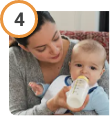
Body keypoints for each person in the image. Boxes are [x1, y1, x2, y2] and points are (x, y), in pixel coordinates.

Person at [9, 11, 110, 116]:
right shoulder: (15, 59)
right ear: (25, 48)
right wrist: (50, 105)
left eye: (56, 38)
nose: (55, 50)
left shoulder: (88, 53)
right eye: (42, 48)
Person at [29, 39, 110, 116]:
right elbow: (53, 92)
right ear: (70, 67)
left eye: (92, 68)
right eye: (79, 65)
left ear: (100, 73)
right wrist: (42, 90)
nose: (84, 71)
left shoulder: (97, 95)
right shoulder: (62, 80)